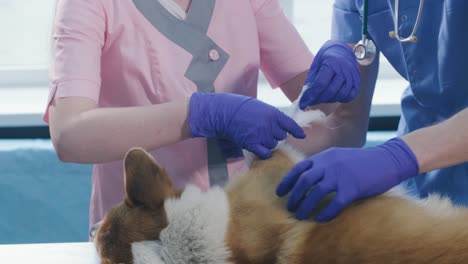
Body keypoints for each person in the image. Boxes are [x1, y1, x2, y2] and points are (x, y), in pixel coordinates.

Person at [45, 0, 360, 236]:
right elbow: (70, 135)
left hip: (242, 232)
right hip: (141, 239)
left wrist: (335, 60)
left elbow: (325, 108)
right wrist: (198, 114)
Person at [277, 0, 468, 222]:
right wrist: (271, 142)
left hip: (416, 156)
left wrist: (395, 157)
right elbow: (346, 121)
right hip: (418, 183)